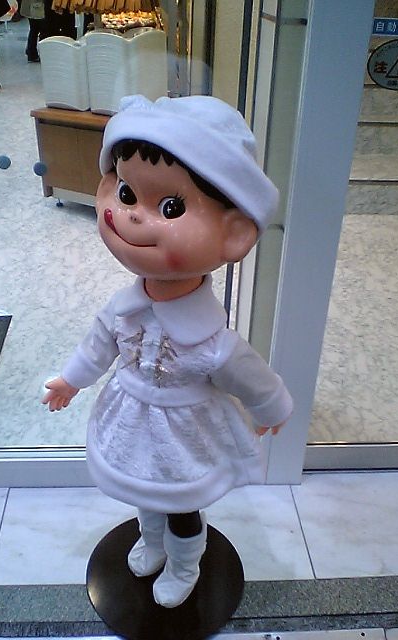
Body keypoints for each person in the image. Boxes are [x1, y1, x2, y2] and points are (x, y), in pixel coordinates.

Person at [42, 95, 293, 608]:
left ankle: (184, 563)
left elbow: (251, 376)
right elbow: (98, 345)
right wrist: (71, 379)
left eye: (170, 207)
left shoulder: (213, 342)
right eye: (126, 192)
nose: (131, 217)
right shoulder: (124, 310)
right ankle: (151, 541)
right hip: (131, 414)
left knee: (181, 504)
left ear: (234, 234)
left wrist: (271, 408)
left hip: (184, 433)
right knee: (143, 490)